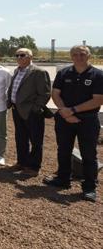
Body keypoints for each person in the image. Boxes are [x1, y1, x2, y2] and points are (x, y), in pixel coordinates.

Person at [44, 45, 103, 202]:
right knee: (63, 150)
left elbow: (98, 99)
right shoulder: (64, 73)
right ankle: (63, 179)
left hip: (88, 120)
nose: (79, 57)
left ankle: (89, 187)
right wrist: (65, 111)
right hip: (64, 118)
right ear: (71, 56)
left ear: (89, 55)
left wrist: (72, 110)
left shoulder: (98, 75)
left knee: (89, 154)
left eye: (82, 54)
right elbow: (55, 94)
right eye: (75, 54)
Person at [7, 48, 51, 176]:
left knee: (36, 140)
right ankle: (22, 162)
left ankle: (34, 167)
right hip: (16, 110)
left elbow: (45, 94)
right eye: (17, 55)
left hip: (32, 112)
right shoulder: (17, 70)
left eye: (22, 55)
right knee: (21, 138)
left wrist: (35, 108)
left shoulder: (39, 72)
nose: (19, 57)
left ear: (31, 57)